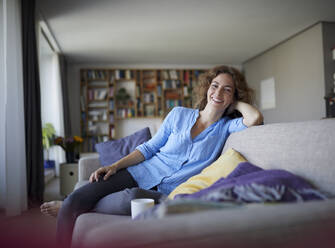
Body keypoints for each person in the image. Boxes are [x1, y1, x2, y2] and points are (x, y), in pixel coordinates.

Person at [41, 65, 263, 247]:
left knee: (131, 198)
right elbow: (148, 148)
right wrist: (115, 166)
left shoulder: (227, 126)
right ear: (207, 88)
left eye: (227, 89)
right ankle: (73, 206)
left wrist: (232, 101)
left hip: (165, 192)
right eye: (215, 86)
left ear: (234, 95)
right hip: (139, 172)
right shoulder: (178, 114)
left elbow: (254, 118)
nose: (218, 92)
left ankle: (80, 205)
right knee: (73, 200)